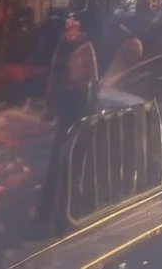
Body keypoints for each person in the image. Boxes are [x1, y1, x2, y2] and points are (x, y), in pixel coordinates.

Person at [40, 13, 100, 225]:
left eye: (72, 28)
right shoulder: (62, 47)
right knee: (60, 151)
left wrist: (91, 105)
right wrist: (49, 105)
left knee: (74, 151)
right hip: (65, 101)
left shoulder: (86, 47)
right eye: (67, 29)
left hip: (79, 101)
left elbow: (93, 78)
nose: (69, 32)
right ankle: (53, 201)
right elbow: (54, 78)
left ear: (78, 29)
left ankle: (71, 199)